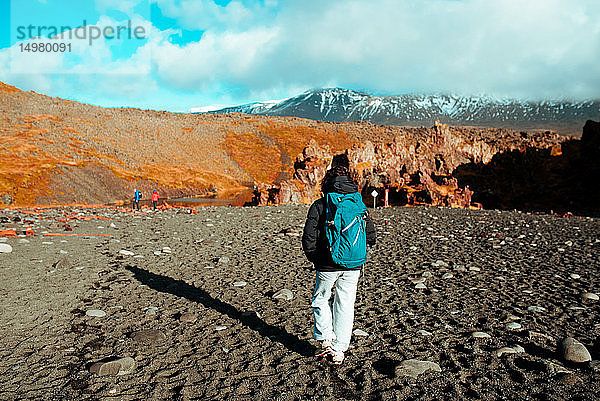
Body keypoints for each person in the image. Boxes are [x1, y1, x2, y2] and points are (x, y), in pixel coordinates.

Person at [302, 154, 376, 365]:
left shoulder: (321, 204)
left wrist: (314, 257)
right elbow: (370, 234)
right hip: (354, 263)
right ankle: (339, 350)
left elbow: (308, 236)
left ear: (327, 182)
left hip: (327, 262)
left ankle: (326, 339)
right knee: (345, 304)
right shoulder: (358, 202)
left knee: (320, 299)